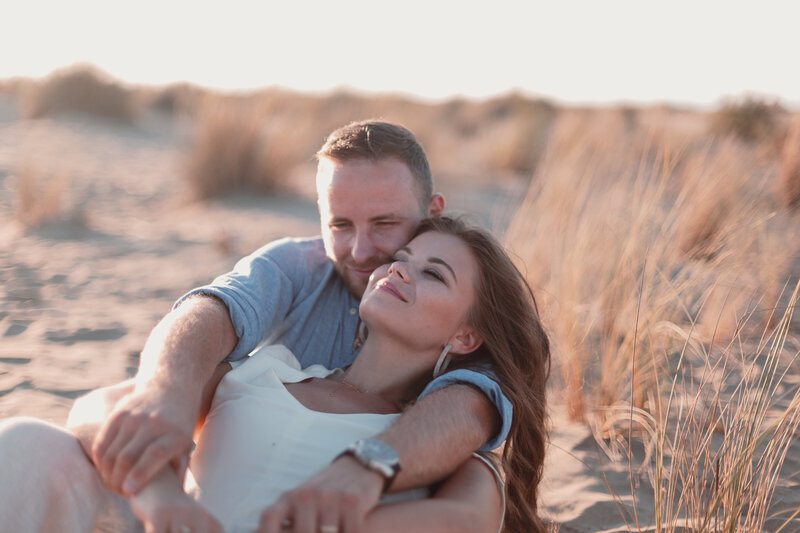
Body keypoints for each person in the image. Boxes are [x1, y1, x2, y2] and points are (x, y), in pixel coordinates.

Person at [83, 119, 515, 527]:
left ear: (431, 213)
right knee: (32, 442)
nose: (362, 253)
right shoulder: (271, 361)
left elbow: (470, 416)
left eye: (386, 224)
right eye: (340, 225)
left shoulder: (442, 417)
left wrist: (366, 469)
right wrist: (167, 399)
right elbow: (207, 314)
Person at [0, 217, 551, 533]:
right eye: (402, 255)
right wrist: (162, 498)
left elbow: (466, 520)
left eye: (434, 274)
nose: (399, 268)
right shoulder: (272, 368)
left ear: (464, 337)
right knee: (28, 441)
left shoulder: (436, 437)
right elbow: (96, 409)